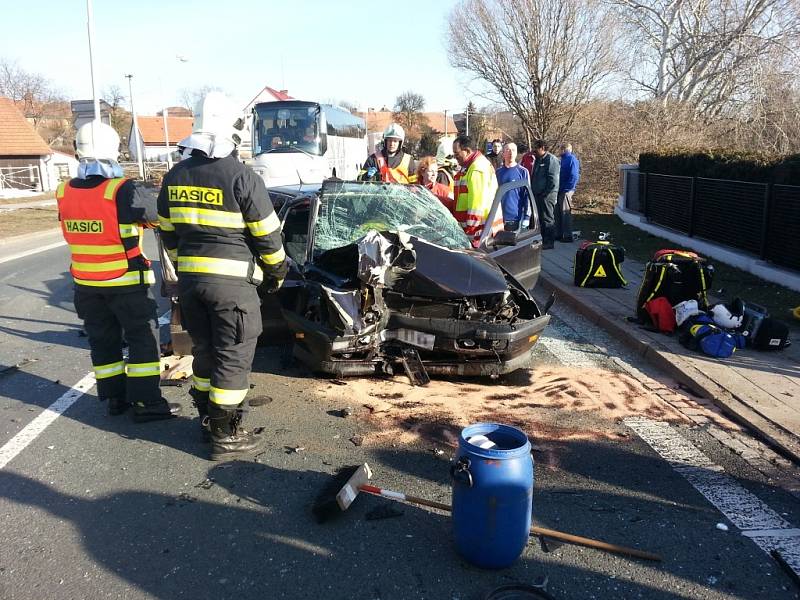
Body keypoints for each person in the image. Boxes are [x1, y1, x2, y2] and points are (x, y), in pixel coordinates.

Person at [157, 92, 288, 461]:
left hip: (192, 286)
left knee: (205, 352)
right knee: (232, 359)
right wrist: (277, 274)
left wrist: (188, 266)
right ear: (235, 129)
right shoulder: (240, 177)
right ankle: (226, 436)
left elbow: (167, 233)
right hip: (233, 290)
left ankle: (206, 422)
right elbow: (268, 237)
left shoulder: (174, 175)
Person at [56, 122, 180, 422]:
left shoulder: (63, 191)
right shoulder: (121, 190)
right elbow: (157, 219)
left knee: (103, 341)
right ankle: (147, 404)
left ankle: (115, 398)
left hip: (85, 285)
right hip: (124, 284)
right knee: (142, 342)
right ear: (113, 152)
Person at [451, 135, 501, 246]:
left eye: (457, 154)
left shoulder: (477, 169)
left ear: (467, 151)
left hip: (479, 231)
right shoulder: (472, 165)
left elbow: (476, 206)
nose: (455, 157)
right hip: (480, 229)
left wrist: (472, 232)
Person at [530, 140, 560, 249]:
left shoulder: (551, 160)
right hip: (537, 194)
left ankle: (549, 242)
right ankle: (542, 239)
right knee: (540, 219)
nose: (534, 150)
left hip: (547, 196)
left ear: (542, 148)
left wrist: (546, 194)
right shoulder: (538, 159)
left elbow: (554, 181)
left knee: (547, 218)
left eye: (535, 148)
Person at [495, 142, 531, 231]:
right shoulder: (498, 172)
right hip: (499, 217)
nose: (511, 152)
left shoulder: (523, 172)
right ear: (503, 153)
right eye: (507, 150)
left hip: (516, 217)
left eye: (513, 150)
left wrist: (527, 217)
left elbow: (527, 195)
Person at [557, 143, 580, 243]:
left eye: (560, 149)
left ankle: (567, 236)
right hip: (560, 189)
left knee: (565, 212)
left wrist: (568, 189)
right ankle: (559, 233)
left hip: (566, 190)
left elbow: (574, 176)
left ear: (564, 149)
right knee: (558, 212)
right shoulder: (562, 160)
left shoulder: (571, 159)